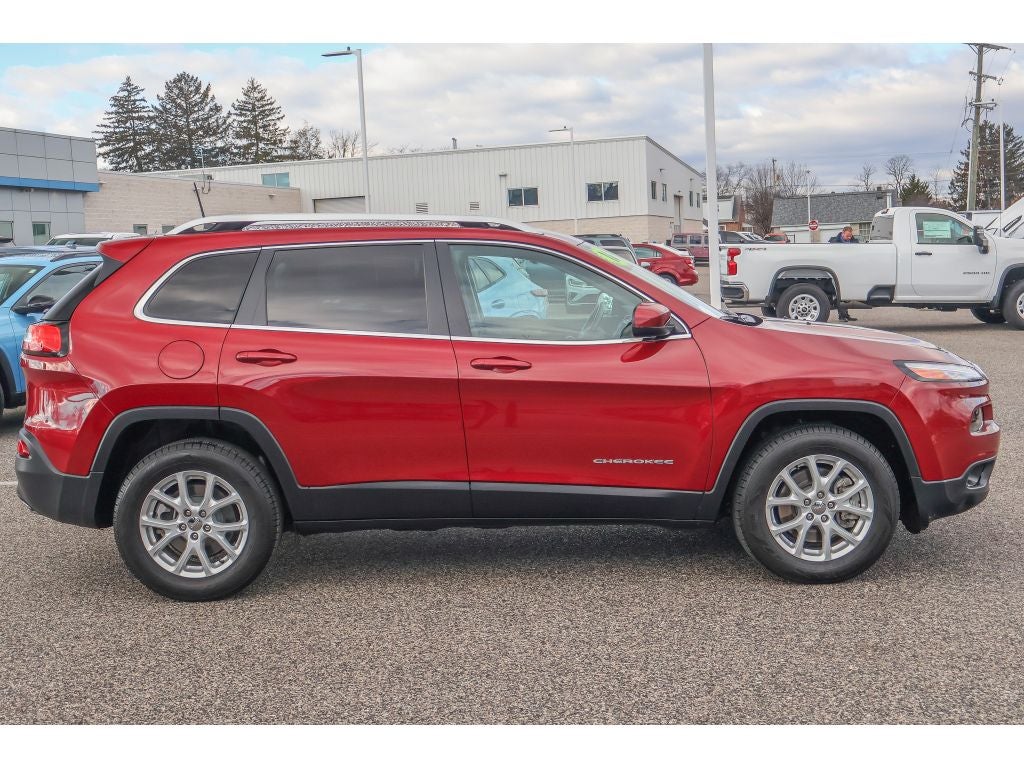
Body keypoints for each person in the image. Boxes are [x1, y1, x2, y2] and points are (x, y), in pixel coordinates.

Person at [828, 226, 858, 321]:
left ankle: (845, 314)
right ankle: (841, 315)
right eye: (847, 236)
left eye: (850, 236)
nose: (849, 238)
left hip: (849, 270)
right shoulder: (834, 242)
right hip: (838, 270)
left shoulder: (854, 242)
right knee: (840, 294)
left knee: (846, 295)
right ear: (842, 233)